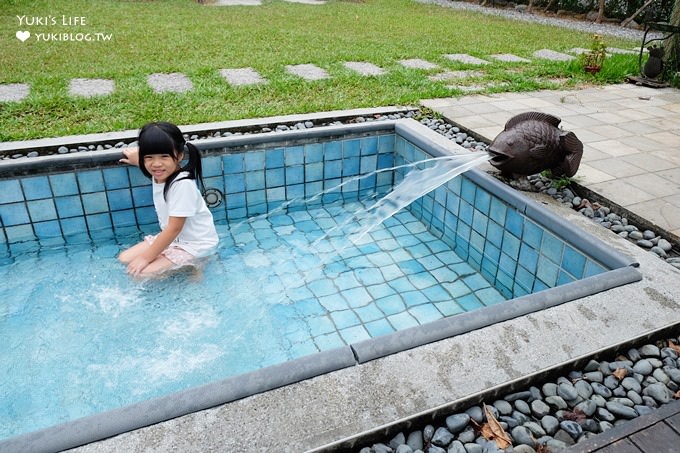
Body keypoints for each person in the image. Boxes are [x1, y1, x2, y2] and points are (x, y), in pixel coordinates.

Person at [118, 121, 219, 277]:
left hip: (195, 245)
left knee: (141, 274)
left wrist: (146, 258)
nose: (156, 164)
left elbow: (174, 228)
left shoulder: (183, 185)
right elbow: (153, 164)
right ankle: (170, 259)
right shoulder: (161, 172)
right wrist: (137, 160)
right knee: (124, 258)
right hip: (175, 239)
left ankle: (197, 264)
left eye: (164, 156)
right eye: (149, 157)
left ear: (179, 155)